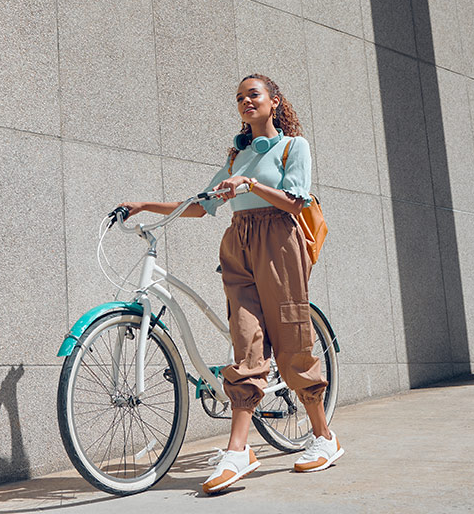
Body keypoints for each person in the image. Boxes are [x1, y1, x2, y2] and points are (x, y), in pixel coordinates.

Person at [118, 74, 343, 494]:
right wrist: (145, 204)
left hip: (279, 239)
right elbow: (201, 207)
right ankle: (239, 451)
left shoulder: (294, 147)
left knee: (292, 341)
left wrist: (251, 183)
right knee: (246, 342)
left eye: (253, 95)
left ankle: (323, 437)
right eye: (239, 97)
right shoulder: (236, 157)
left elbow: (297, 199)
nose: (245, 101)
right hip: (238, 244)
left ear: (274, 101)